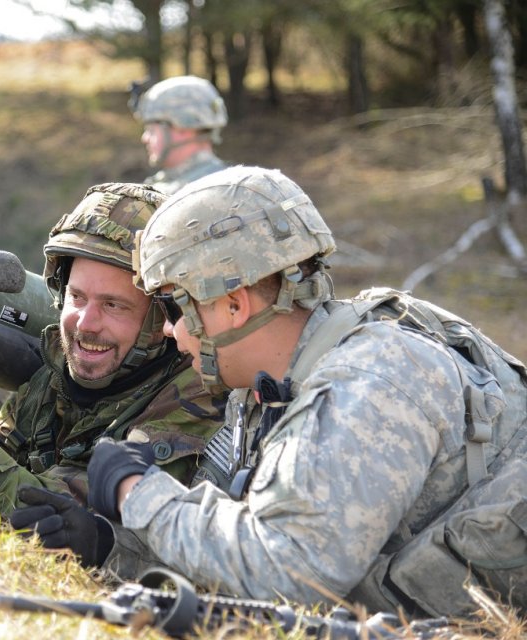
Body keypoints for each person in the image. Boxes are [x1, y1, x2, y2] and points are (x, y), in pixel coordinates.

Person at [77, 165, 527, 615]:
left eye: (173, 306)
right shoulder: (269, 391)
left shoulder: (371, 380)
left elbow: (288, 572)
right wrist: (105, 544)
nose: (172, 331)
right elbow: (233, 547)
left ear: (234, 305)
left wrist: (136, 493)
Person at [0, 183, 227, 564]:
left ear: (160, 318)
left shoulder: (194, 396)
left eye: (113, 305)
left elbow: (68, 524)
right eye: (77, 297)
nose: (86, 323)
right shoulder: (58, 377)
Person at [131, 75, 227, 196]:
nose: (145, 138)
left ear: (183, 128)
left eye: (152, 130)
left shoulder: (203, 192)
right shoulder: (227, 184)